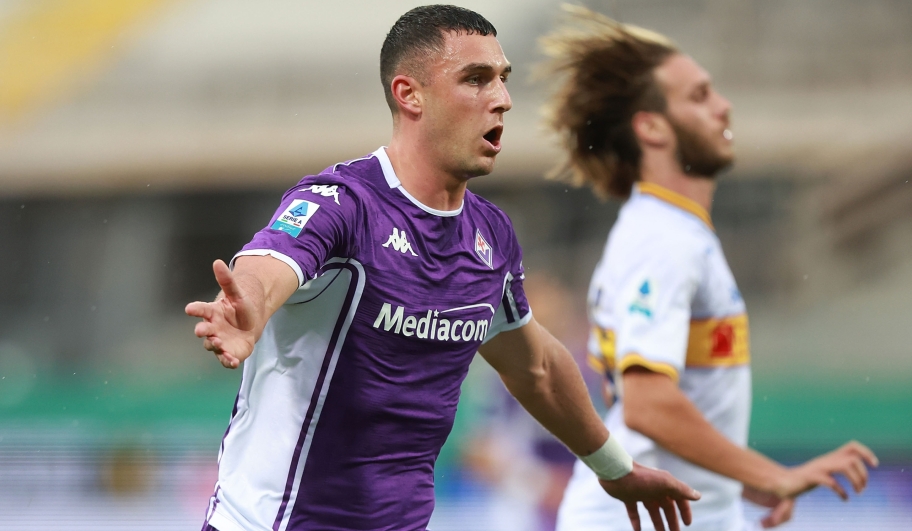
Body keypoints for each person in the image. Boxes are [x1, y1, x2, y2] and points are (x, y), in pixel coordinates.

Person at [185, 6, 700, 531]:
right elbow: (270, 262)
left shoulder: (491, 237)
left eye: (502, 79)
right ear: (410, 94)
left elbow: (535, 367)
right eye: (475, 80)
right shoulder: (343, 204)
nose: (502, 99)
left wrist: (615, 470)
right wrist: (248, 305)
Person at [542, 7, 879, 531]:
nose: (724, 107)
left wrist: (735, 477)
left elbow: (647, 402)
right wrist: (772, 474)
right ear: (652, 127)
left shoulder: (676, 232)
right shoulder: (662, 240)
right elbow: (645, 407)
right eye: (699, 96)